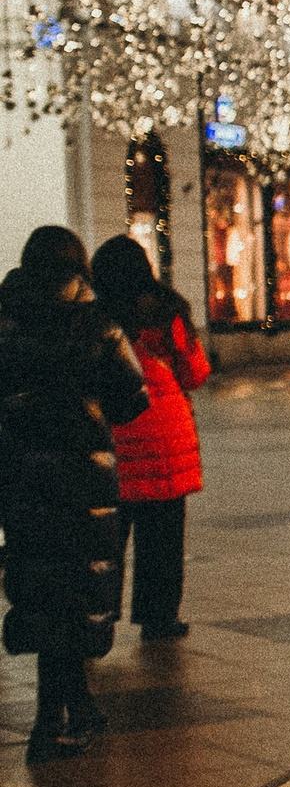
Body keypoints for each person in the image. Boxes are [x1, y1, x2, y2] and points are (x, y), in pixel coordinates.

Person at [0, 228, 149, 758]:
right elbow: (132, 399)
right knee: (76, 596)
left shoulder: (7, 322)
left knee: (45, 592)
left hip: (22, 481)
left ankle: (78, 707)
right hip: (84, 484)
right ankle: (49, 724)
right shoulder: (96, 323)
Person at [90, 236, 209, 643]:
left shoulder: (95, 317)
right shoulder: (168, 311)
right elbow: (195, 373)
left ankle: (97, 617)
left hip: (113, 433)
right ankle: (158, 619)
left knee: (104, 541)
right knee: (162, 537)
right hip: (163, 437)